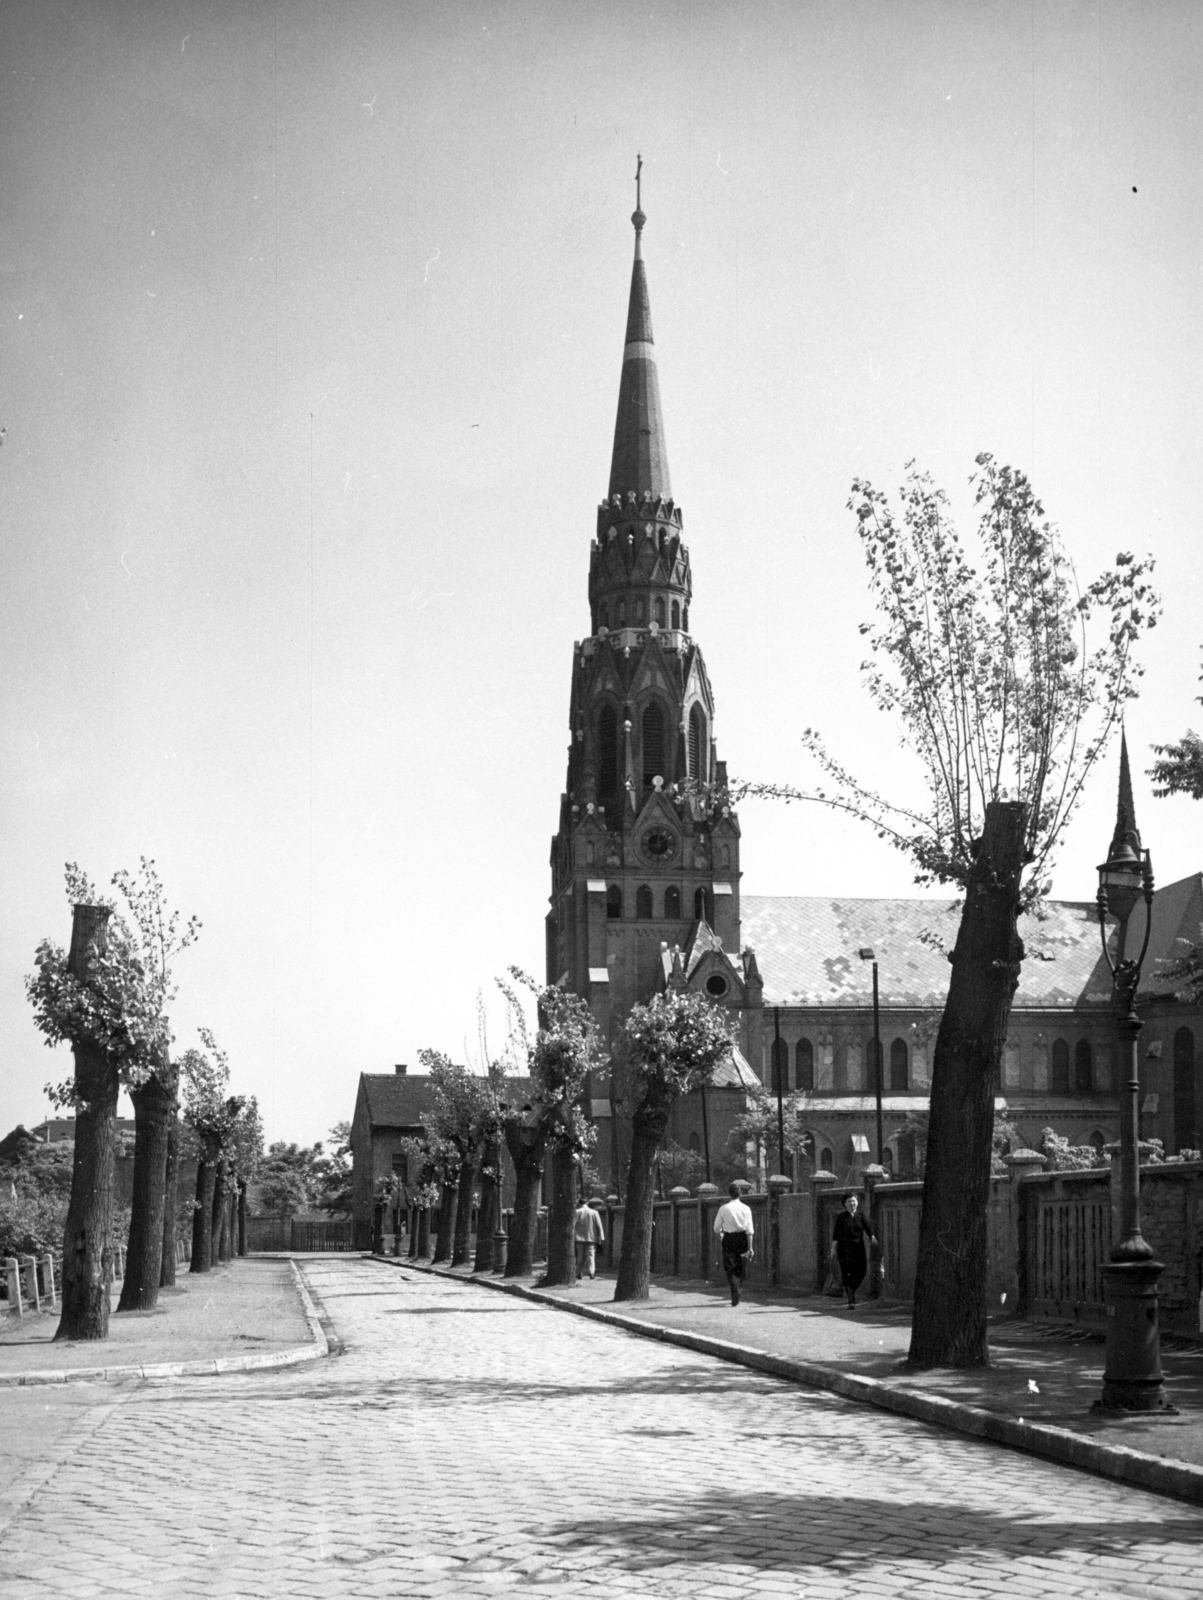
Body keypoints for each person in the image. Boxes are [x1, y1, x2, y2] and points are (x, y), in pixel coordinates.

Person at [830, 1192, 878, 1309]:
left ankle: (851, 1289)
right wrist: (833, 1249)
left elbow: (868, 1230)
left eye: (853, 1201)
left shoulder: (861, 1216)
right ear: (845, 1204)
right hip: (844, 1250)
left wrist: (873, 1238)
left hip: (858, 1249)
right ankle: (851, 1301)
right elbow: (836, 1235)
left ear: (857, 1202)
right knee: (847, 1274)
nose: (852, 1203)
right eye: (849, 1201)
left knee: (862, 1272)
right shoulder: (841, 1217)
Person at [713, 1181, 754, 1306]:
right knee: (740, 1267)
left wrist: (721, 1236)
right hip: (742, 1238)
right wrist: (750, 1248)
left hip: (729, 1238)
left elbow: (716, 1228)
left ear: (729, 1194)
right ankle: (738, 1288)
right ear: (740, 1193)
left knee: (730, 1268)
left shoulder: (723, 1208)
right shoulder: (746, 1208)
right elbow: (749, 1230)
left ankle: (735, 1291)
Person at [574, 1199, 605, 1280]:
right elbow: (599, 1225)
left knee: (581, 1256)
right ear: (587, 1203)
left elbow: (573, 1224)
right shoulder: (594, 1212)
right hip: (592, 1237)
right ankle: (591, 1273)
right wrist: (601, 1237)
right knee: (591, 1256)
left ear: (579, 1203)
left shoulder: (577, 1212)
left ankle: (579, 1273)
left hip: (579, 1238)